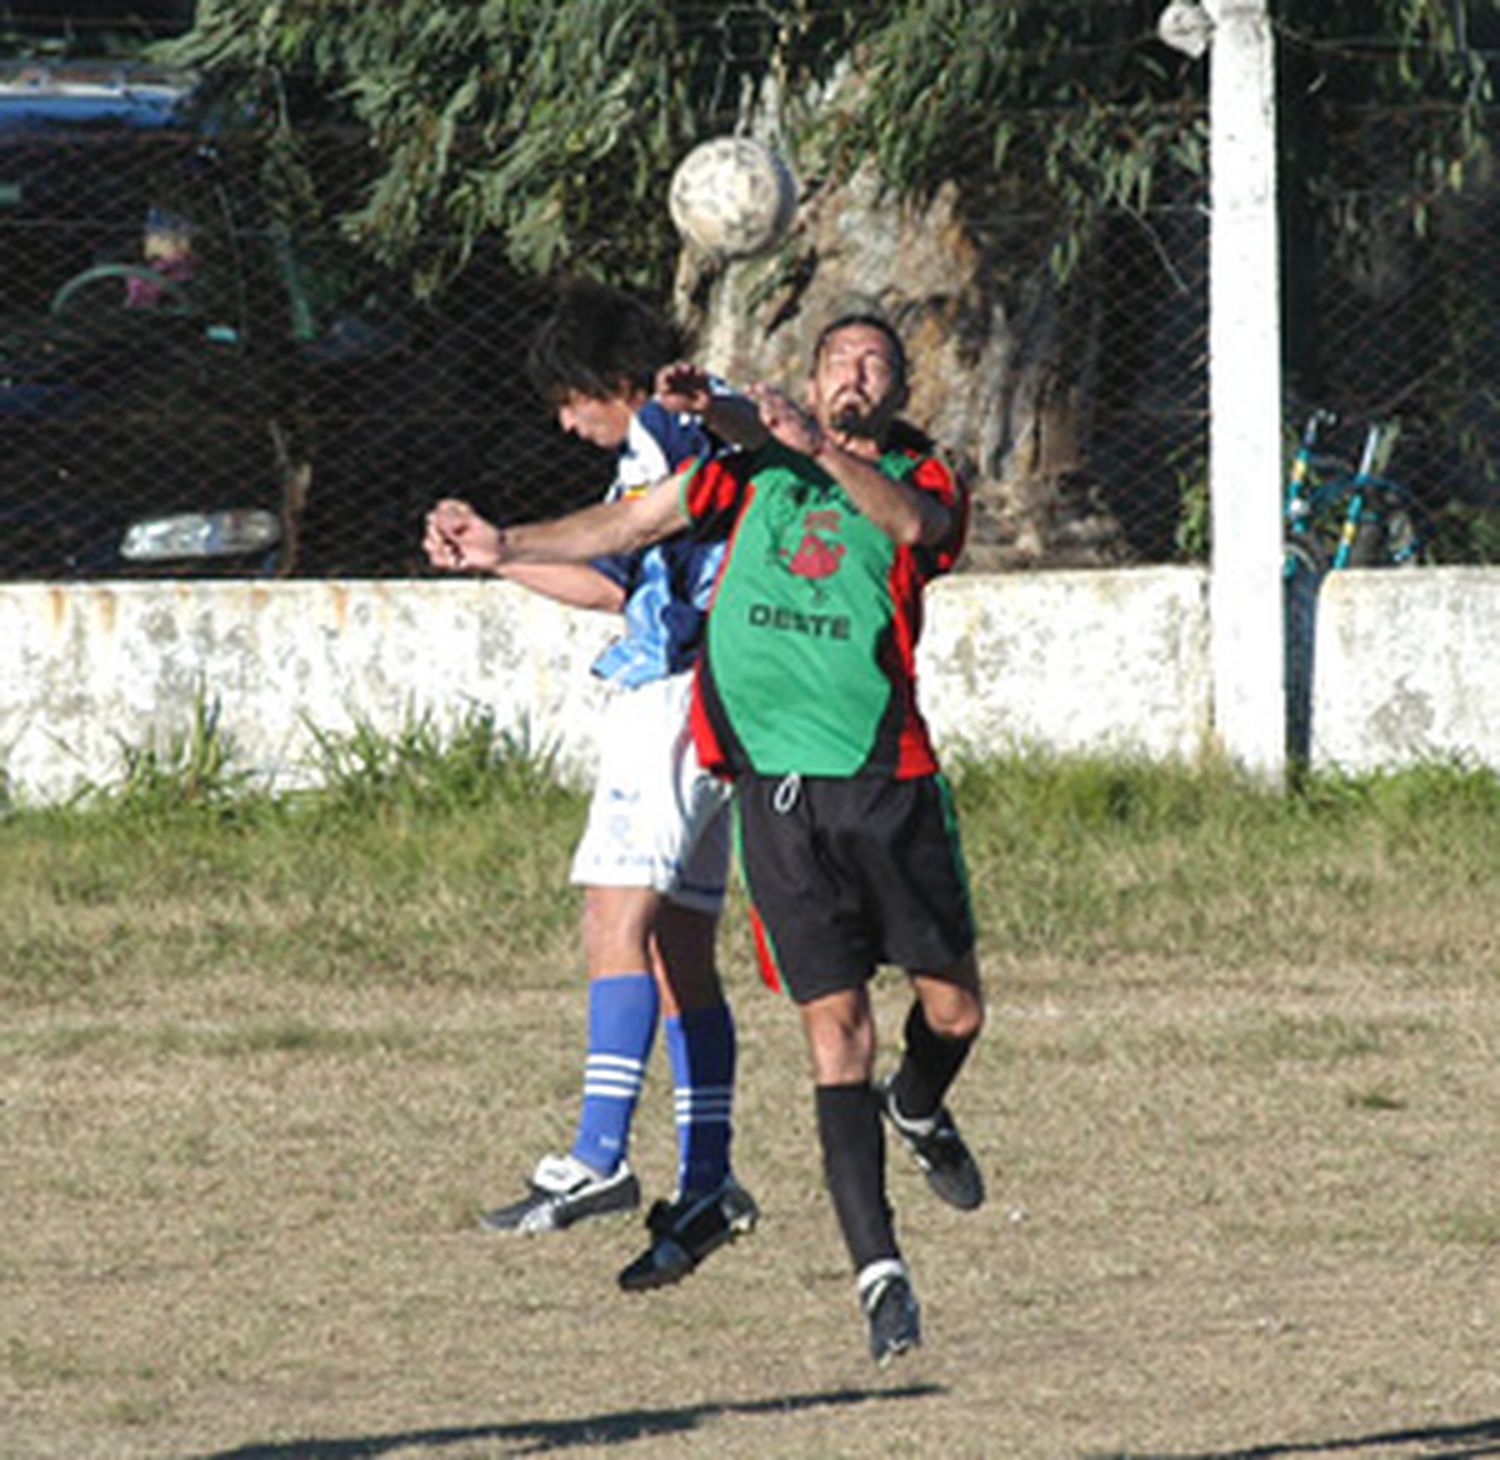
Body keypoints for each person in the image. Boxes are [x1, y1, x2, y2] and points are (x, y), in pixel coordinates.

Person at [426, 315, 986, 1364]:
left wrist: (778, 432)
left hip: (859, 771)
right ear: (811, 380)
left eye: (874, 364)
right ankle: (834, 1247)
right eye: (836, 362)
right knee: (777, 998)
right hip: (768, 777)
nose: (853, 377)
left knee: (943, 1008)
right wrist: (506, 547)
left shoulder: (915, 476)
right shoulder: (741, 460)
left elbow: (907, 524)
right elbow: (637, 529)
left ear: (901, 386)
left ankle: (894, 1109)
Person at [427, 279, 760, 1292]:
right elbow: (618, 579)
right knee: (676, 948)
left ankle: (597, 1156)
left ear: (605, 380)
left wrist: (510, 537)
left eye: (570, 402)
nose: (567, 425)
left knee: (613, 922)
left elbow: (618, 536)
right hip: (722, 698)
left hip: (670, 698)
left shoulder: (664, 422)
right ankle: (710, 1176)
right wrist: (498, 559)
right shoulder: (695, 421)